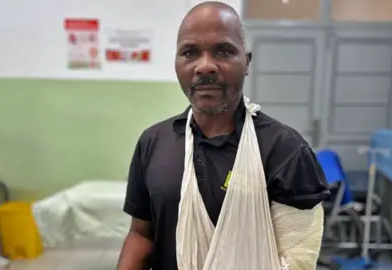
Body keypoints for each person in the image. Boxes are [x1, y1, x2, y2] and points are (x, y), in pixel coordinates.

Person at [117, 2, 329, 270]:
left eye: (224, 51)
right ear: (176, 63)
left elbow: (297, 258)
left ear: (247, 62)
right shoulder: (153, 142)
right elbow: (141, 233)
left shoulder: (285, 150)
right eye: (190, 52)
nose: (205, 66)